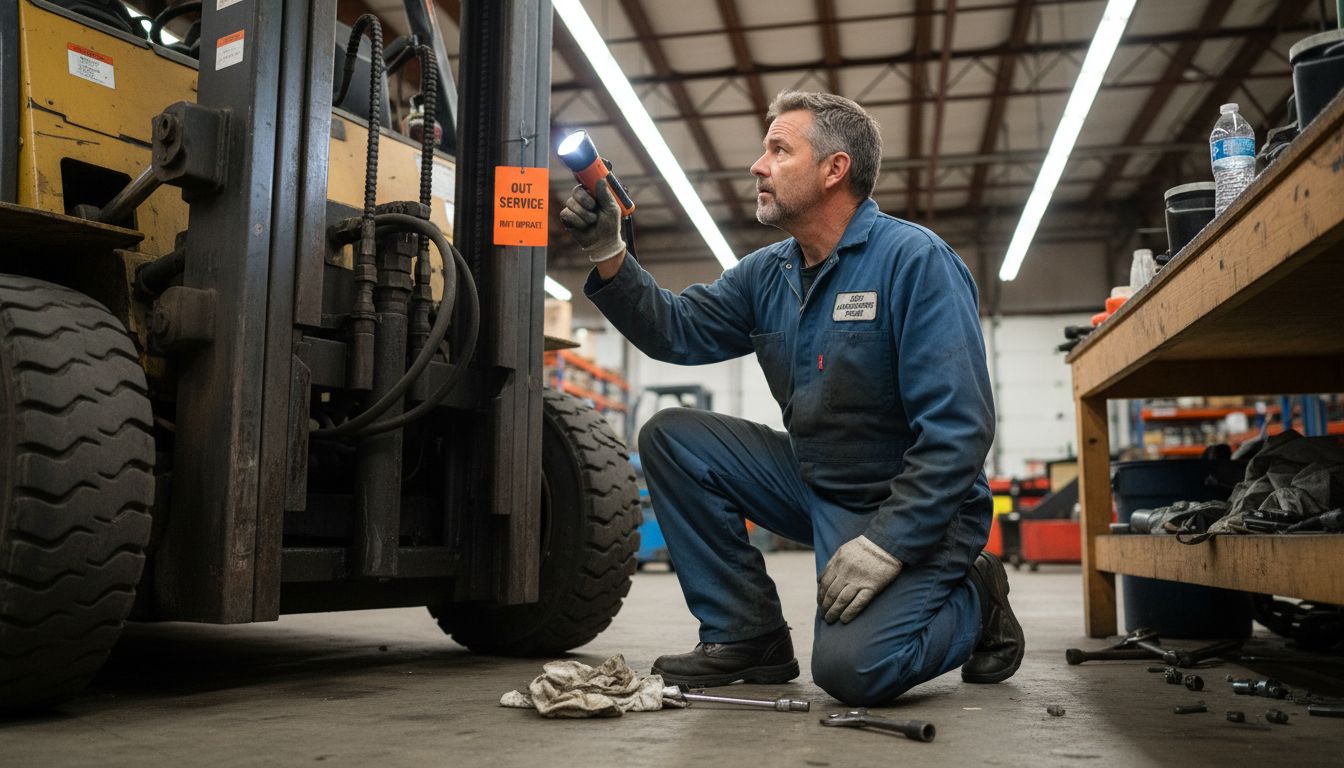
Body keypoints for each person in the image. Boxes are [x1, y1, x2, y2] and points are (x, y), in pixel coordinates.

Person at [558, 91, 1023, 706]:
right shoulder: (768, 272)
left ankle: (977, 596)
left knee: (853, 673)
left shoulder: (915, 262)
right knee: (672, 438)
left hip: (910, 504)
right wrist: (608, 252)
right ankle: (746, 636)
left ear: (835, 170)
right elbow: (674, 330)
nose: (758, 165)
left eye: (779, 149)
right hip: (814, 481)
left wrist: (888, 543)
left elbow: (960, 429)